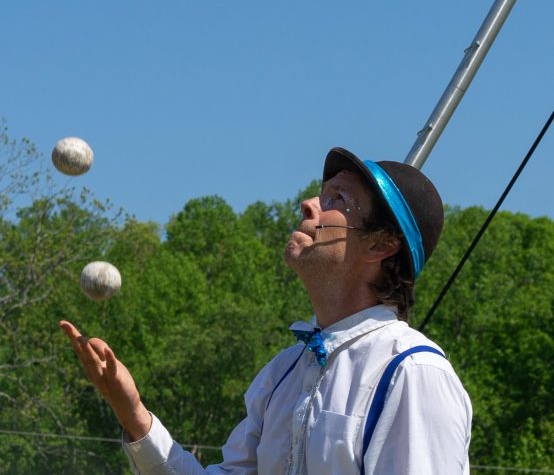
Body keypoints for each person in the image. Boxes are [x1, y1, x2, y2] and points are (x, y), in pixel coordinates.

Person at [61, 147, 472, 474]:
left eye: (338, 199)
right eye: (321, 191)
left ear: (381, 245)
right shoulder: (282, 373)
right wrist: (132, 411)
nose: (309, 204)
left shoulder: (412, 374)